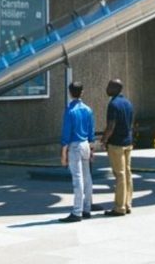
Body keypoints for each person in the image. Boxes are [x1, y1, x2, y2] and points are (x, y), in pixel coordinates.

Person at [59, 81, 95, 223]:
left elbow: (66, 133)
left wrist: (63, 153)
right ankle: (87, 208)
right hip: (86, 144)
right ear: (82, 92)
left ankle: (77, 211)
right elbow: (91, 130)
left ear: (70, 92)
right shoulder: (88, 109)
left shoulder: (70, 110)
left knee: (77, 178)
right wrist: (92, 149)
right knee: (87, 177)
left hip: (74, 146)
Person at [101, 78, 134, 216]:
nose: (106, 88)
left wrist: (104, 139)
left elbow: (111, 126)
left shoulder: (113, 104)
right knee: (127, 173)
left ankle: (119, 207)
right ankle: (127, 204)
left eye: (109, 86)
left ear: (115, 88)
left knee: (119, 175)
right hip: (128, 142)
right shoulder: (128, 103)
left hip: (116, 144)